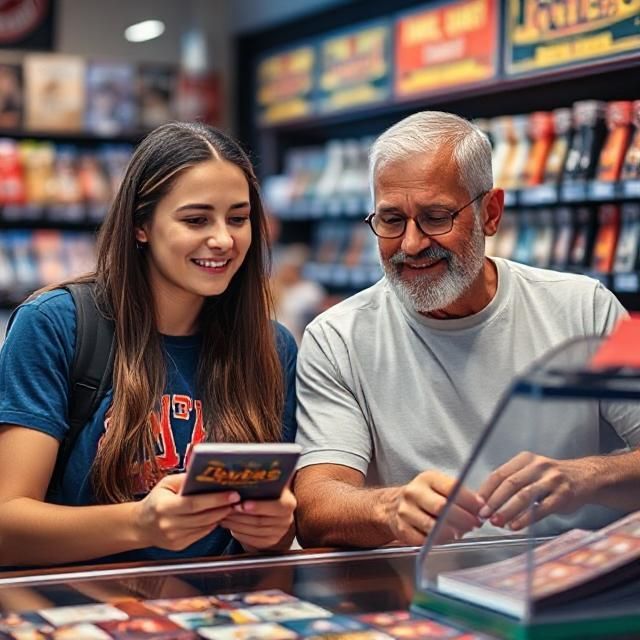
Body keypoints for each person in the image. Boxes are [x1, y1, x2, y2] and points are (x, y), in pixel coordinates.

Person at [293, 111, 640, 549]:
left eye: (436, 217)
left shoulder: (587, 307)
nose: (411, 244)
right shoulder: (336, 338)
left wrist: (584, 477)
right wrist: (391, 508)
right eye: (391, 220)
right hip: (421, 599)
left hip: (567, 588)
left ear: (491, 213)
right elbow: (315, 506)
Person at [0, 122, 297, 567]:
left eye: (238, 219)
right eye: (196, 220)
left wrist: (273, 530)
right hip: (82, 615)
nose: (222, 239)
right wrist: (140, 523)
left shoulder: (271, 347)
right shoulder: (56, 325)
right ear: (141, 224)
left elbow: (272, 535)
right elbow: (8, 526)